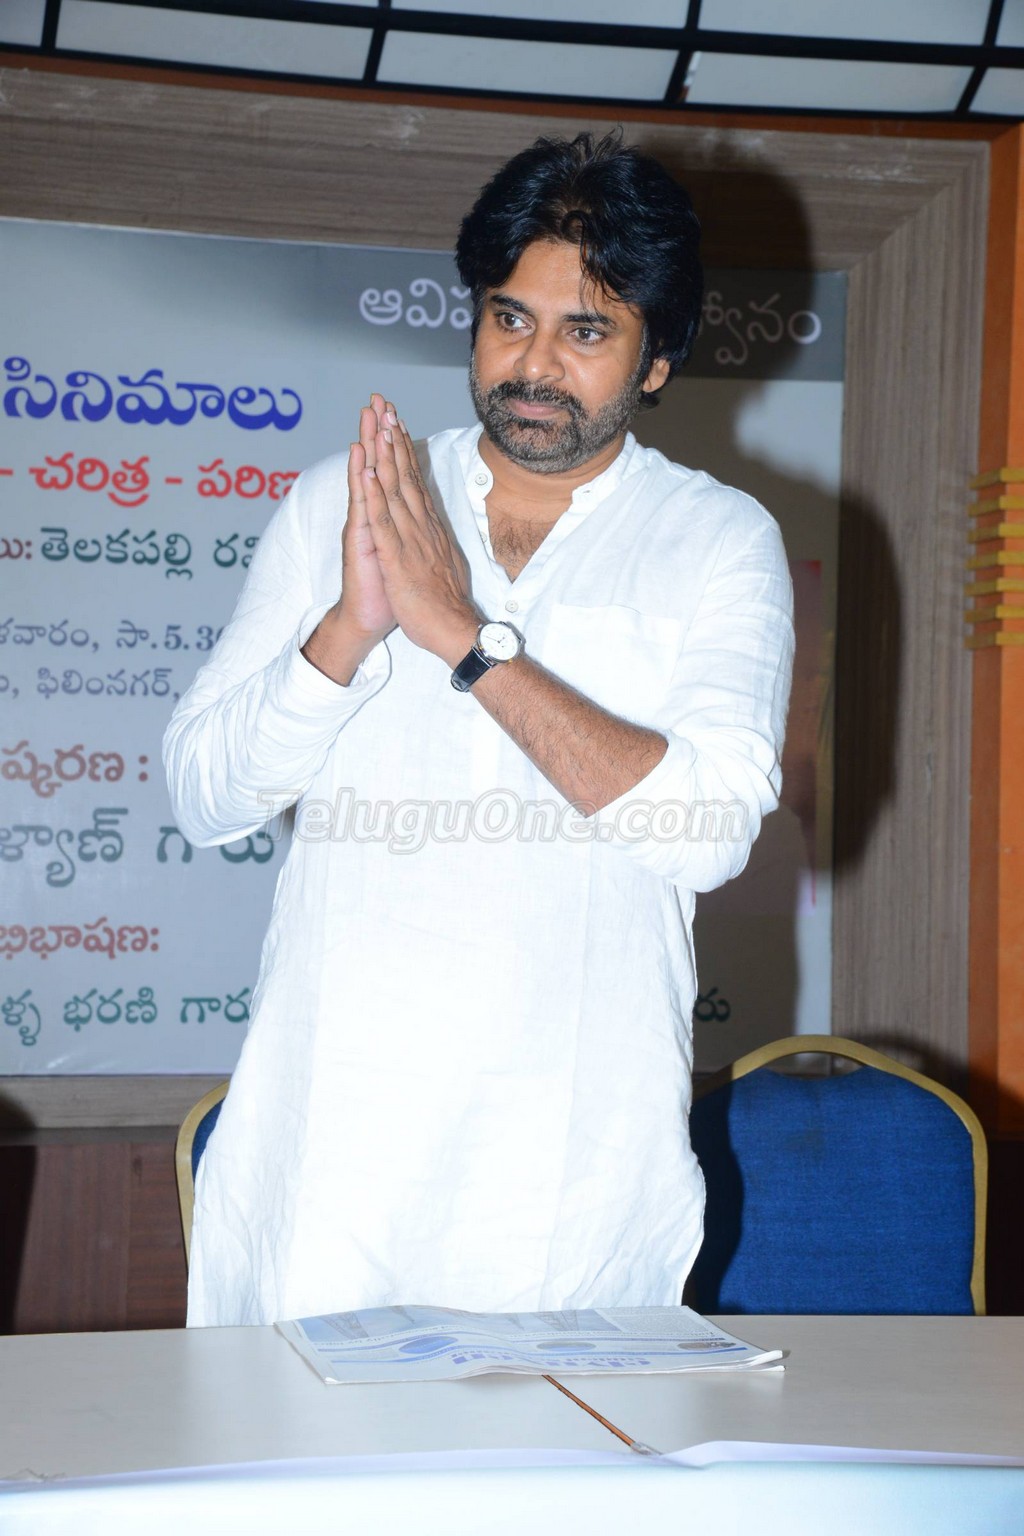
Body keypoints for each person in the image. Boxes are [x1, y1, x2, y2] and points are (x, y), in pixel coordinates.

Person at [164, 129, 794, 1327]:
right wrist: (349, 630)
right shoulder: (348, 501)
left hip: (570, 1188)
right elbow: (204, 799)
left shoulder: (717, 540)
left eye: (586, 333)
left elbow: (709, 830)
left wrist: (461, 636)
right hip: (325, 1172)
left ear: (657, 362)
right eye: (510, 319)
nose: (534, 365)